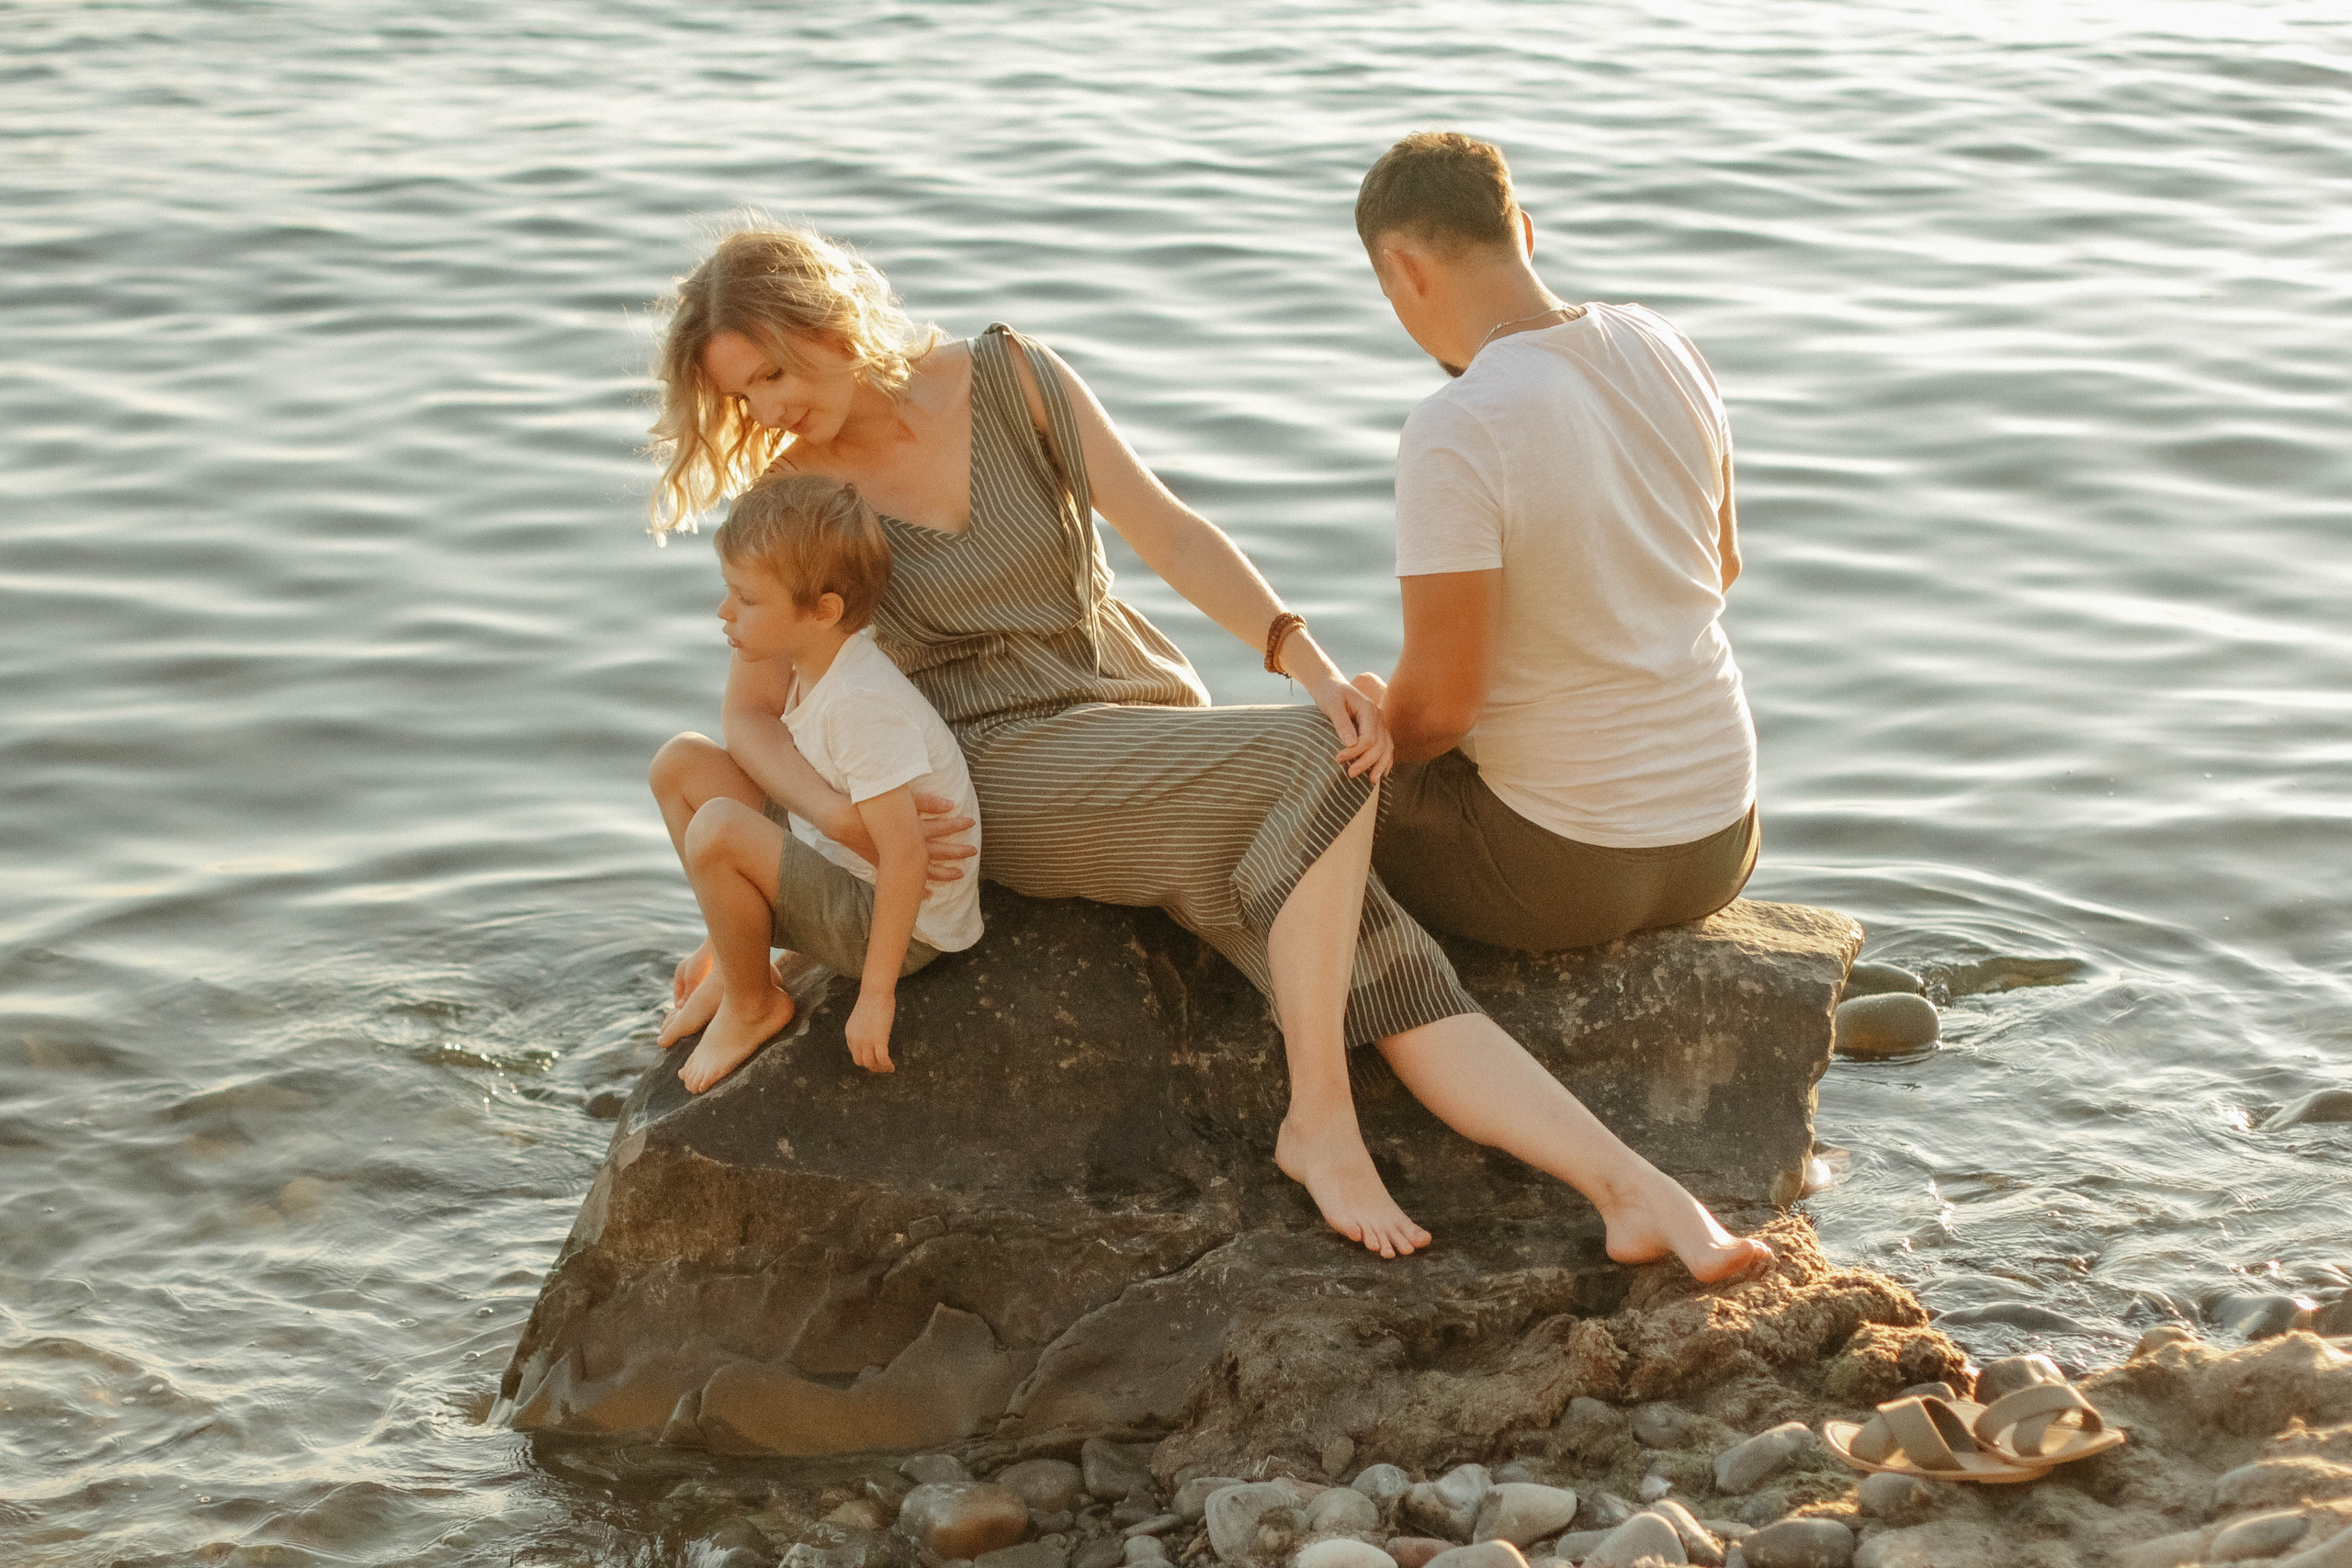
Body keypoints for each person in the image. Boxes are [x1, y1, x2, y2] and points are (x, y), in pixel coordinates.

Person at [642, 222, 1770, 1280]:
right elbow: (752, 713)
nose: (768, 412)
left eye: (775, 376)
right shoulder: (794, 494)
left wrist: (1309, 662)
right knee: (1315, 769)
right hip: (998, 766)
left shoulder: (1012, 378)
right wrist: (839, 829)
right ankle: (1318, 1122)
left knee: (1370, 947)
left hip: (1135, 723)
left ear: (832, 326)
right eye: (742, 396)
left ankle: (1632, 1192)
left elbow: (1169, 529)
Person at [1349, 133, 1761, 953]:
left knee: (1310, 773)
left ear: (1403, 269)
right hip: (1722, 835)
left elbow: (1439, 709)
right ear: (1525, 233)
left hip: (1559, 870)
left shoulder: (1457, 424)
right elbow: (1723, 566)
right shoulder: (1665, 342)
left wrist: (1367, 725)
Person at [647, 473, 983, 1093]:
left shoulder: (858, 703)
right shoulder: (817, 661)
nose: (724, 613)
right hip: (844, 863)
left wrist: (875, 996)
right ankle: (734, 962)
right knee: (680, 764)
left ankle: (753, 1005)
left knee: (718, 829)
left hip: (902, 923)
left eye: (745, 599)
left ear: (823, 611)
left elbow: (905, 854)